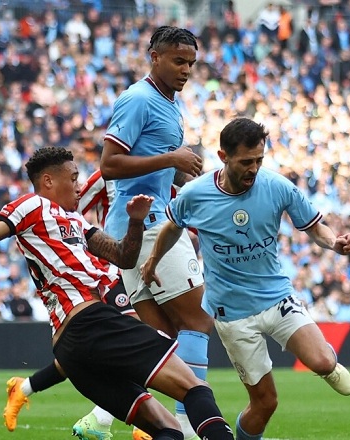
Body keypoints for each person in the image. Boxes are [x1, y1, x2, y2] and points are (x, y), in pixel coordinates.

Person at [0, 147, 234, 440]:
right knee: (195, 389)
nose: (77, 183)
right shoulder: (31, 206)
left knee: (167, 430)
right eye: (72, 177)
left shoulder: (79, 224)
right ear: (48, 181)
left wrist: (134, 223)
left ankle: (31, 390)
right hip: (90, 321)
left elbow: (123, 257)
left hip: (71, 350)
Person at [141, 118, 350, 440]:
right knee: (266, 402)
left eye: (259, 160)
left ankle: (327, 366)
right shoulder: (195, 194)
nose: (254, 168)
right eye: (246, 162)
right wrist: (153, 261)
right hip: (233, 315)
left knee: (324, 361)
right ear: (223, 156)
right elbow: (172, 226)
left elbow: (314, 226)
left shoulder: (278, 186)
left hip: (276, 297)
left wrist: (334, 242)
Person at [100, 25, 212, 440]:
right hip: (147, 228)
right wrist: (173, 157)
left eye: (191, 64)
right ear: (155, 57)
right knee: (198, 320)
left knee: (159, 339)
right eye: (178, 61)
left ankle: (122, 420)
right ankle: (190, 424)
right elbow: (110, 164)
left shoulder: (168, 103)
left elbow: (153, 171)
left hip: (139, 226)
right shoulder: (138, 100)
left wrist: (180, 183)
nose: (186, 70)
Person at [3, 168, 173, 439]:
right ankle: (121, 422)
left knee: (100, 352)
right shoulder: (108, 175)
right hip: (103, 270)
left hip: (140, 262)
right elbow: (65, 211)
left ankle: (24, 389)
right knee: (135, 335)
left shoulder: (162, 175)